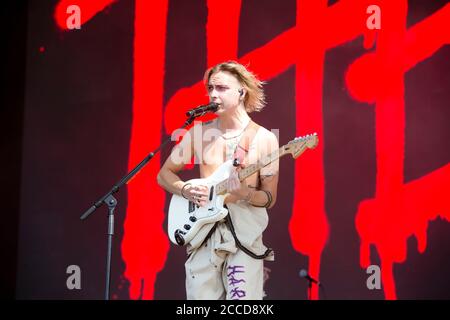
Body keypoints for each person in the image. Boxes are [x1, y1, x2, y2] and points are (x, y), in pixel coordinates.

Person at [157, 61, 279, 300]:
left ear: (241, 91)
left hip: (244, 239)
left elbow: (269, 198)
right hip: (204, 236)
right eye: (210, 88)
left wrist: (244, 193)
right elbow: (164, 174)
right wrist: (185, 190)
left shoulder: (265, 139)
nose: (213, 94)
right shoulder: (198, 133)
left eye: (221, 88)